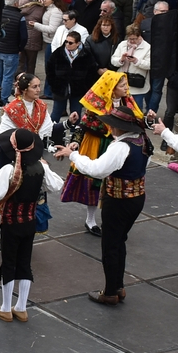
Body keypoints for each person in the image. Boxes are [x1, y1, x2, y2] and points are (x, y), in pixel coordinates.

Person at [57, 104, 151, 305]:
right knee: (120, 241)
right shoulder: (142, 139)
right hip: (137, 197)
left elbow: (96, 169)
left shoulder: (120, 147)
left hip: (118, 201)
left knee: (110, 245)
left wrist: (72, 155)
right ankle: (118, 286)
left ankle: (110, 292)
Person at [0, 129, 63, 321]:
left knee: (9, 262)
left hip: (10, 223)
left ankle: (6, 308)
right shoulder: (40, 167)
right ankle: (21, 307)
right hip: (30, 221)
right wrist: (44, 167)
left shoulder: (9, 170)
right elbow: (57, 185)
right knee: (25, 261)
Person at [61, 71, 143, 236]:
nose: (126, 87)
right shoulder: (98, 105)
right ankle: (90, 220)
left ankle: (109, 218)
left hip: (119, 144)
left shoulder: (128, 104)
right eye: (122, 85)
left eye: (125, 84)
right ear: (112, 89)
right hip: (96, 145)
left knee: (113, 183)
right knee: (94, 183)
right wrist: (76, 140)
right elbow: (83, 125)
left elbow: (138, 123)